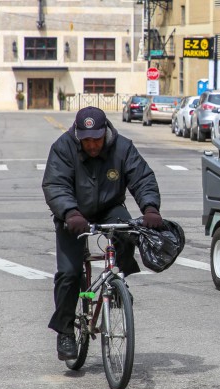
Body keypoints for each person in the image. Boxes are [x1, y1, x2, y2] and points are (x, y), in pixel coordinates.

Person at [42, 106, 164, 361]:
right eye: (86, 140)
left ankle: (117, 281)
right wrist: (70, 213)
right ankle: (65, 331)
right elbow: (56, 184)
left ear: (105, 131)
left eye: (96, 138)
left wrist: (150, 207)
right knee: (69, 273)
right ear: (78, 135)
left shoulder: (122, 147)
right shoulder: (63, 147)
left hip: (110, 208)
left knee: (128, 228)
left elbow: (142, 178)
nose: (92, 145)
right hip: (73, 215)